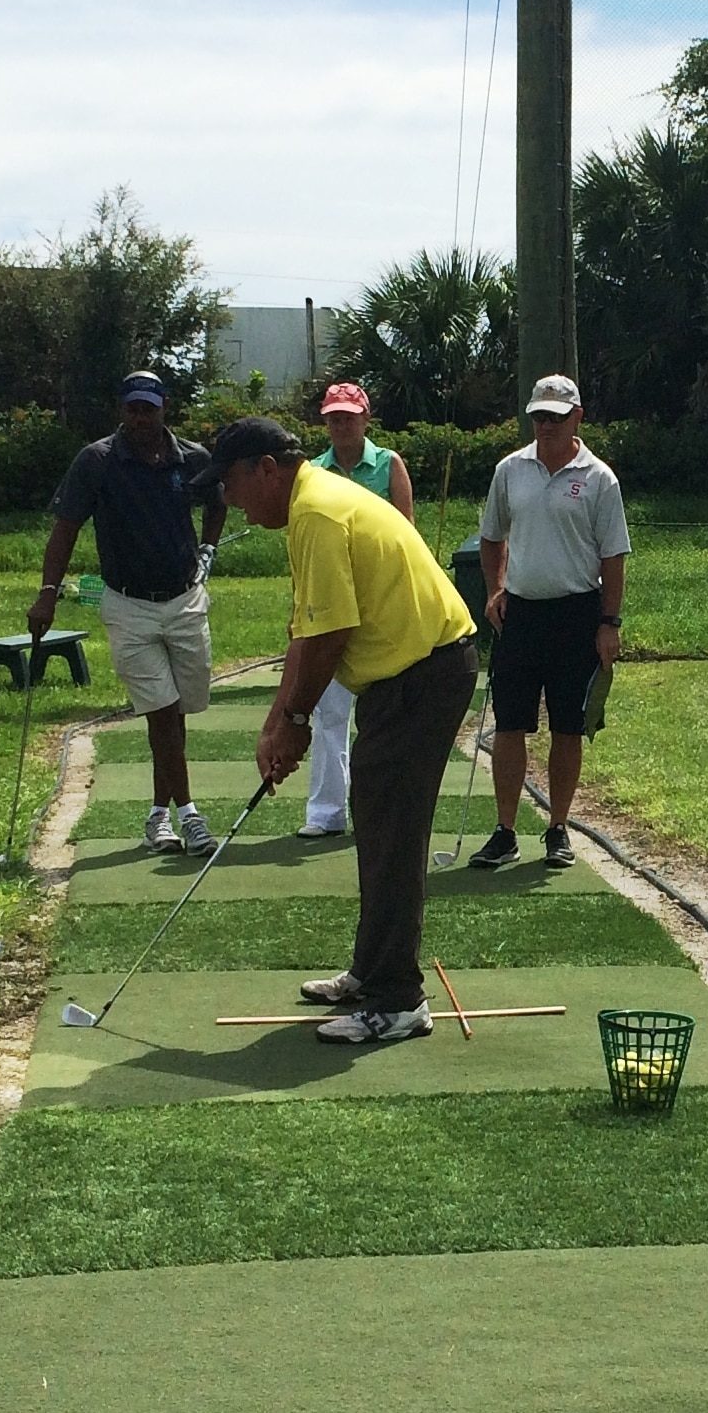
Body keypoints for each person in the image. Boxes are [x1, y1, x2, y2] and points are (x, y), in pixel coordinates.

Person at [219, 416, 478, 1043]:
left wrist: (299, 721)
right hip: (408, 675)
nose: (230, 504)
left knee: (393, 828)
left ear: (265, 469)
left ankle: (397, 1001)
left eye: (230, 486)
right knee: (379, 818)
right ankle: (373, 971)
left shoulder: (318, 512)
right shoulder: (310, 505)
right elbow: (305, 631)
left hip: (426, 672)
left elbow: (333, 637)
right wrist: (274, 722)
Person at [29, 370, 228, 856]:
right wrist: (48, 593)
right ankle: (188, 815)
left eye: (149, 409)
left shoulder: (193, 458)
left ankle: (158, 815)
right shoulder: (97, 461)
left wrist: (208, 549)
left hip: (184, 600)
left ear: (164, 410)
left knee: (180, 709)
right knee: (161, 713)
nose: (140, 418)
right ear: (122, 410)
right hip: (127, 605)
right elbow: (66, 528)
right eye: (132, 409)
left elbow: (218, 502)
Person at [473, 374, 628, 870]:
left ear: (577, 417)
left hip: (577, 613)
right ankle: (504, 831)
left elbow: (614, 556)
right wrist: (495, 588)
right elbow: (492, 536)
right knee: (509, 725)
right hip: (520, 612)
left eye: (556, 417)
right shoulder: (510, 470)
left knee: (567, 727)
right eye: (539, 416)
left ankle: (558, 827)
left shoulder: (599, 477)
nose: (546, 425)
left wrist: (610, 622)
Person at [298, 382, 420, 839]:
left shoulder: (389, 465)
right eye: (333, 416)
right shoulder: (313, 471)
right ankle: (327, 813)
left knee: (386, 715)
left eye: (348, 415)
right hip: (330, 603)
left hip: (381, 605)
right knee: (329, 712)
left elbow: (405, 537)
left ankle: (384, 810)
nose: (341, 423)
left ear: (366, 418)